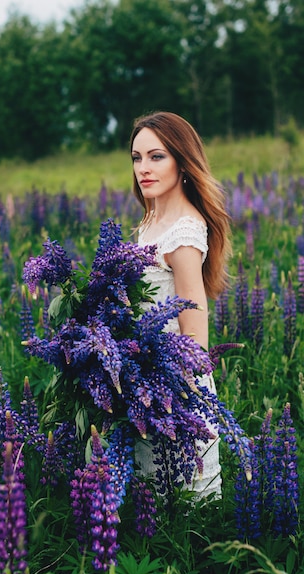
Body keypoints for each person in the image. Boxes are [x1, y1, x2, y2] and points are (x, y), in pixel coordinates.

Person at [130, 111, 232, 499]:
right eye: (137, 158)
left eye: (157, 157)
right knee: (149, 505)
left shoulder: (185, 233)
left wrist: (176, 402)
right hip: (144, 383)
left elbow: (194, 337)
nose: (144, 168)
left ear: (181, 160)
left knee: (184, 508)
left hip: (176, 390)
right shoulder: (150, 219)